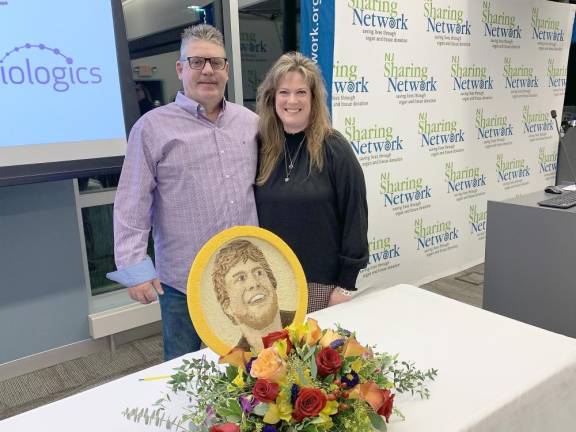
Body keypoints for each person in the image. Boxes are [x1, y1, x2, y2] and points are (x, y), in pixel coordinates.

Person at [107, 24, 259, 361]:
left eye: (216, 63)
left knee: (248, 366)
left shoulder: (250, 123)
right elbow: (132, 203)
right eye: (196, 61)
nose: (207, 70)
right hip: (184, 282)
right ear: (180, 69)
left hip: (244, 275)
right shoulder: (151, 128)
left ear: (227, 70)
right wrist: (135, 268)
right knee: (184, 370)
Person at [254, 52, 369, 313]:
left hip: (321, 287)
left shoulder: (334, 148)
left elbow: (355, 217)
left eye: (301, 92)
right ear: (272, 98)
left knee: (312, 354)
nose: (291, 100)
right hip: (270, 285)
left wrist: (345, 286)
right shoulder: (261, 148)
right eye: (284, 92)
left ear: (314, 98)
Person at [212, 239, 295, 352]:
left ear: (272, 282)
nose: (254, 283)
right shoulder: (236, 362)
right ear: (227, 306)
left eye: (259, 273)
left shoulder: (304, 326)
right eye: (241, 278)